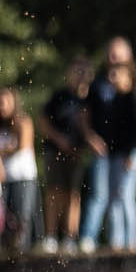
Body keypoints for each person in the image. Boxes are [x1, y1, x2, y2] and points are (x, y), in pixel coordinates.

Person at [84, 42, 136, 253]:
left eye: (117, 75)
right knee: (114, 198)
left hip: (131, 154)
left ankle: (131, 243)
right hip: (117, 154)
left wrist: (132, 153)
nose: (112, 79)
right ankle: (117, 243)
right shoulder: (116, 99)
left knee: (125, 197)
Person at [39, 61, 91, 252]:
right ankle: (51, 236)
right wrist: (60, 140)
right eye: (77, 71)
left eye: (84, 72)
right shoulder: (58, 96)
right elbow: (43, 123)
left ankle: (70, 237)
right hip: (55, 151)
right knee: (54, 193)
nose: (80, 76)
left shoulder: (90, 99)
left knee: (73, 195)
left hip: (78, 154)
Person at [0, 88, 34, 253]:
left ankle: (22, 253)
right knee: (0, 219)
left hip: (23, 177)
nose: (2, 105)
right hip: (2, 179)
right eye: (0, 102)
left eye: (6, 101)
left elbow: (22, 145)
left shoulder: (23, 121)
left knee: (22, 217)